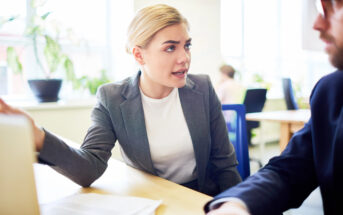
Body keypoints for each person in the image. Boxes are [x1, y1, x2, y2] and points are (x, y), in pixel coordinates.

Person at [0, 4, 241, 196]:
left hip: (203, 199)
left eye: (186, 46)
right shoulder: (112, 98)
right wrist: (38, 136)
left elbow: (225, 166)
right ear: (139, 54)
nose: (184, 58)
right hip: (152, 199)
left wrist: (234, 204)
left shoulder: (202, 88)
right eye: (170, 48)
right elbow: (88, 168)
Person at [205, 0, 343, 214]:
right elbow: (290, 170)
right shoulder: (331, 92)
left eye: (333, 7)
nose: (316, 23)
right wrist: (237, 205)